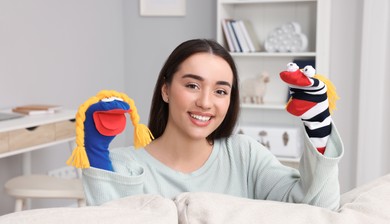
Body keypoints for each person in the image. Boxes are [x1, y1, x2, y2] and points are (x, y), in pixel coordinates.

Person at [81, 39, 344, 209]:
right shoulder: (124, 166)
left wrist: (318, 125)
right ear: (166, 90)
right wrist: (96, 155)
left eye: (220, 91)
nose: (205, 103)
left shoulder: (243, 154)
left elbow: (317, 208)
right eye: (192, 85)